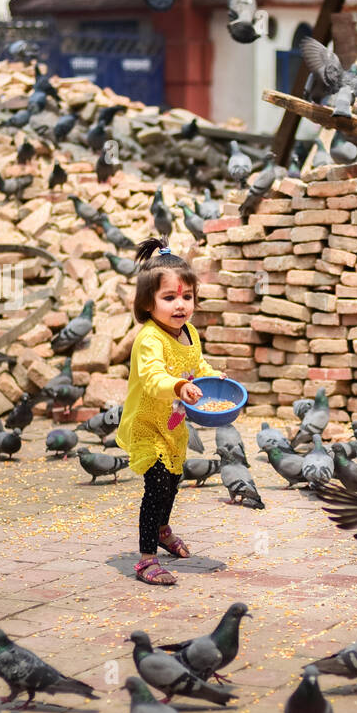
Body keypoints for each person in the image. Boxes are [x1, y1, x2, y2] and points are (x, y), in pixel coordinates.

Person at [116, 237, 224, 585]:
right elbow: (152, 378)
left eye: (187, 297)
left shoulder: (188, 332)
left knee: (173, 482)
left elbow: (196, 365)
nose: (181, 305)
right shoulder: (149, 339)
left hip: (173, 423)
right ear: (147, 304)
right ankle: (147, 558)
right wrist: (178, 387)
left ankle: (163, 530)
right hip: (148, 424)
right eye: (169, 298)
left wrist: (212, 377)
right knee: (156, 487)